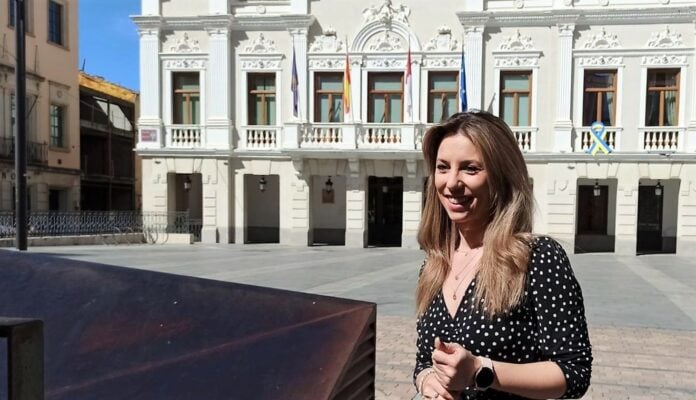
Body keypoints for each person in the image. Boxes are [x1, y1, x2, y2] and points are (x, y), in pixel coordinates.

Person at [413, 111, 592, 400]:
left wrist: (480, 370)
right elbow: (424, 360)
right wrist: (425, 380)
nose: (452, 183)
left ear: (500, 177)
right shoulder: (434, 265)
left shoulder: (538, 258)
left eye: (470, 168)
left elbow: (573, 372)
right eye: (443, 167)